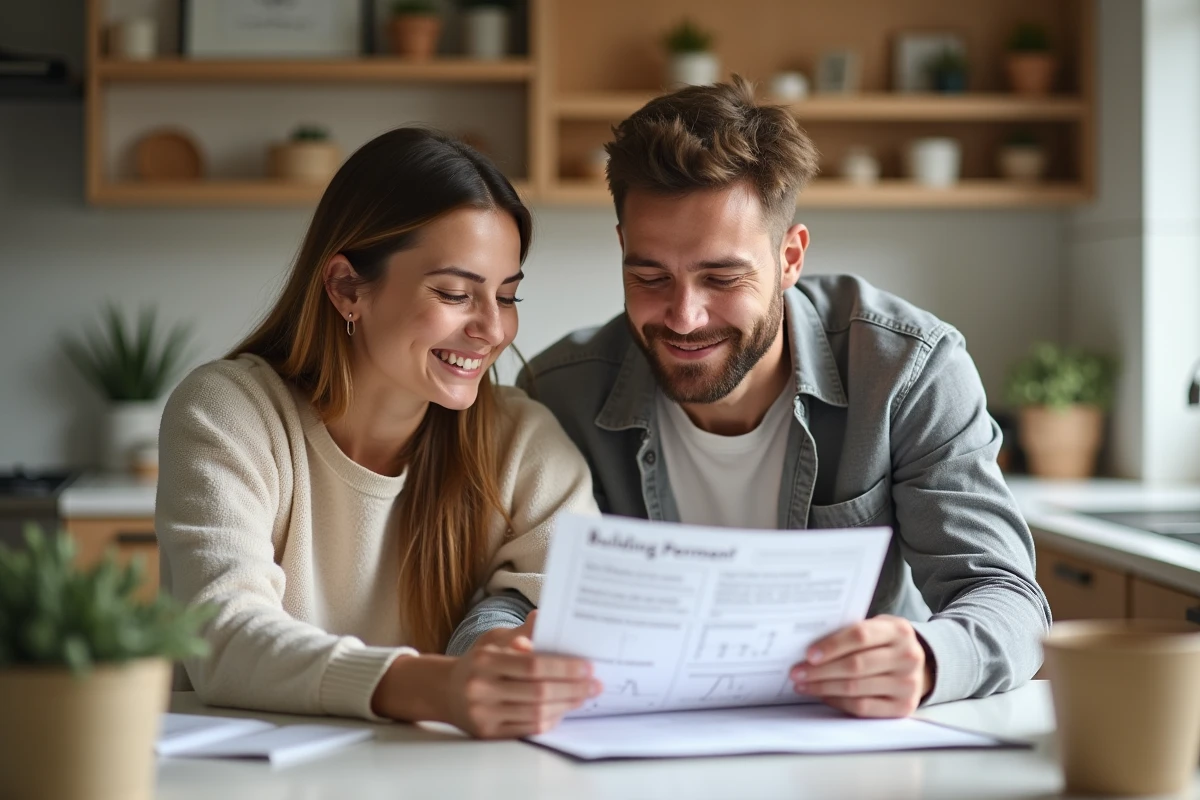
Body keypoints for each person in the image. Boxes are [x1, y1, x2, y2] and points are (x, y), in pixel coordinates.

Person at [519, 78, 1051, 718]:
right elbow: (513, 592)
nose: (684, 317)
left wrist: (929, 658)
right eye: (649, 276)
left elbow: (1003, 594)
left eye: (723, 277)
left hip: (852, 745)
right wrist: (498, 647)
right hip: (633, 739)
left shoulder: (907, 371)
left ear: (790, 256)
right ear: (622, 250)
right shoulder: (560, 392)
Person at [157, 127, 601, 739]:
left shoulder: (522, 440)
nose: (494, 329)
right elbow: (225, 638)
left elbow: (578, 614)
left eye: (507, 295)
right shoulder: (231, 412)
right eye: (454, 293)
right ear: (346, 288)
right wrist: (436, 686)